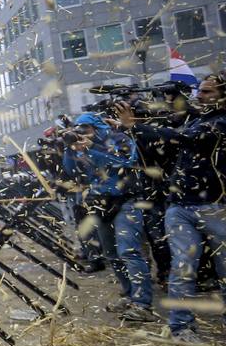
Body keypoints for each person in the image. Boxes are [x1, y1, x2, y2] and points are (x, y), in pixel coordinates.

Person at [117, 72, 226, 343]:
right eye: (200, 90)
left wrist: (136, 125)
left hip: (221, 208)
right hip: (180, 206)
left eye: (208, 92)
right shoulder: (197, 119)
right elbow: (167, 146)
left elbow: (184, 139)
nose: (199, 95)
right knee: (183, 267)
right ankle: (181, 328)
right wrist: (135, 129)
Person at [62, 112, 156, 323]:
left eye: (85, 129)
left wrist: (93, 146)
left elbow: (125, 161)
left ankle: (143, 304)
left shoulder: (118, 138)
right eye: (78, 129)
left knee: (129, 251)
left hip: (126, 200)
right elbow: (72, 173)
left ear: (97, 127)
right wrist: (69, 148)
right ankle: (129, 294)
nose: (81, 133)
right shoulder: (81, 145)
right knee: (111, 254)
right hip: (100, 202)